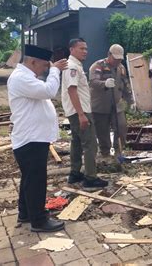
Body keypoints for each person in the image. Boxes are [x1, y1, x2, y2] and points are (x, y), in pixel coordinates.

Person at [7, 44, 68, 232]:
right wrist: (55, 71)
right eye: (44, 66)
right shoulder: (20, 78)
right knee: (36, 181)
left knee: (30, 179)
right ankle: (39, 221)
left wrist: (52, 70)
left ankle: (25, 213)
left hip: (33, 137)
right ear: (32, 62)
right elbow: (49, 91)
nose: (45, 70)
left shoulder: (26, 78)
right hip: (30, 139)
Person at [61, 38, 108, 190]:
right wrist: (81, 114)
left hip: (76, 110)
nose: (85, 51)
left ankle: (75, 173)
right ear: (72, 49)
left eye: (86, 48)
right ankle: (90, 177)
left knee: (76, 142)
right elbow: (72, 90)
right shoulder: (72, 67)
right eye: (81, 48)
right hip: (79, 111)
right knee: (90, 144)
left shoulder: (75, 65)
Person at [89, 44, 133, 171]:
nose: (118, 61)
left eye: (120, 59)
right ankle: (105, 153)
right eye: (116, 59)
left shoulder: (121, 68)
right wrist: (104, 84)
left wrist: (130, 101)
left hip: (116, 105)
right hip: (100, 106)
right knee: (102, 132)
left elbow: (125, 85)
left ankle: (119, 151)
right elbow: (93, 82)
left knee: (121, 126)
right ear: (109, 55)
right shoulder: (98, 66)